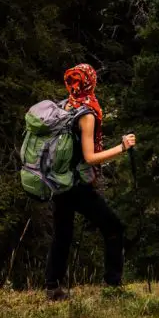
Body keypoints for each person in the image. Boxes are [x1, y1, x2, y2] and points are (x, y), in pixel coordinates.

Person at [45, 63, 136, 301]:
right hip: (77, 184)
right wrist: (122, 147)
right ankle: (112, 285)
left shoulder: (64, 105)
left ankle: (52, 286)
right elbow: (89, 157)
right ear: (91, 82)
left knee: (62, 234)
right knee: (113, 227)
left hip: (58, 180)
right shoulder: (86, 114)